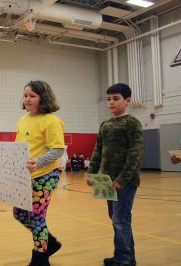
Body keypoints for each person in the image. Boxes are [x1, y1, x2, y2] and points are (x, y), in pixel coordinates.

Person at [86, 83, 143, 266]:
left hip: (124, 182)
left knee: (121, 220)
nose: (111, 102)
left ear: (127, 101)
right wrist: (91, 172)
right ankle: (125, 255)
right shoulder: (105, 124)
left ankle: (124, 259)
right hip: (106, 181)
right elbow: (98, 150)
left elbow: (135, 153)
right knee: (116, 219)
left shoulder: (132, 123)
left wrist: (123, 178)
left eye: (116, 98)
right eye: (108, 99)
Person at [13, 80, 65, 266]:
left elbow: (58, 150)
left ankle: (40, 259)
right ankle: (49, 242)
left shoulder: (51, 121)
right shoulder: (23, 120)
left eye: (32, 96)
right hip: (26, 176)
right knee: (19, 214)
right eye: (25, 95)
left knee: (36, 217)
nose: (27, 99)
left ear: (43, 98)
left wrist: (39, 162)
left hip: (45, 175)